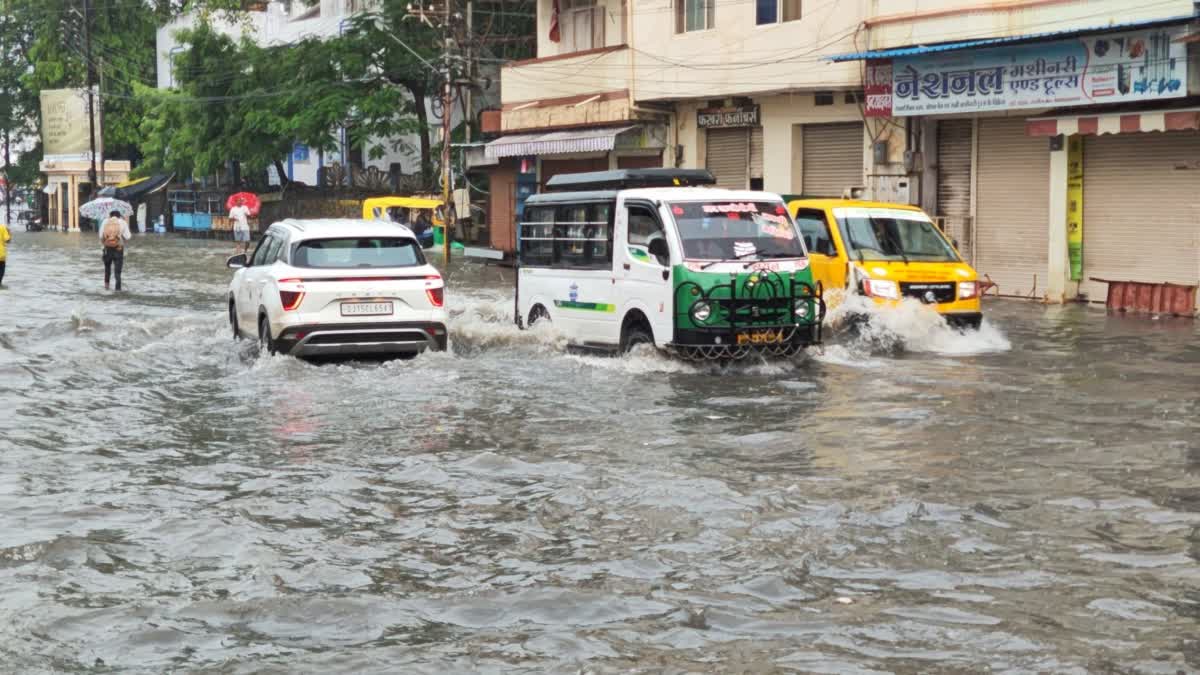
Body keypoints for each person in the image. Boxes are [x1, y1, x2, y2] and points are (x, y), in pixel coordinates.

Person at [99, 210, 131, 291]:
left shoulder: (105, 222)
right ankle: (118, 290)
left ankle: (106, 287)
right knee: (117, 271)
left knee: (107, 269)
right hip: (118, 248)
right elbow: (128, 237)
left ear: (110, 215)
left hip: (107, 249)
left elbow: (100, 236)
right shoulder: (122, 222)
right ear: (119, 216)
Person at [0, 220, 11, 286]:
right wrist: (9, 233)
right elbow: (7, 240)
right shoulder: (2, 228)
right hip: (1, 255)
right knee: (1, 272)